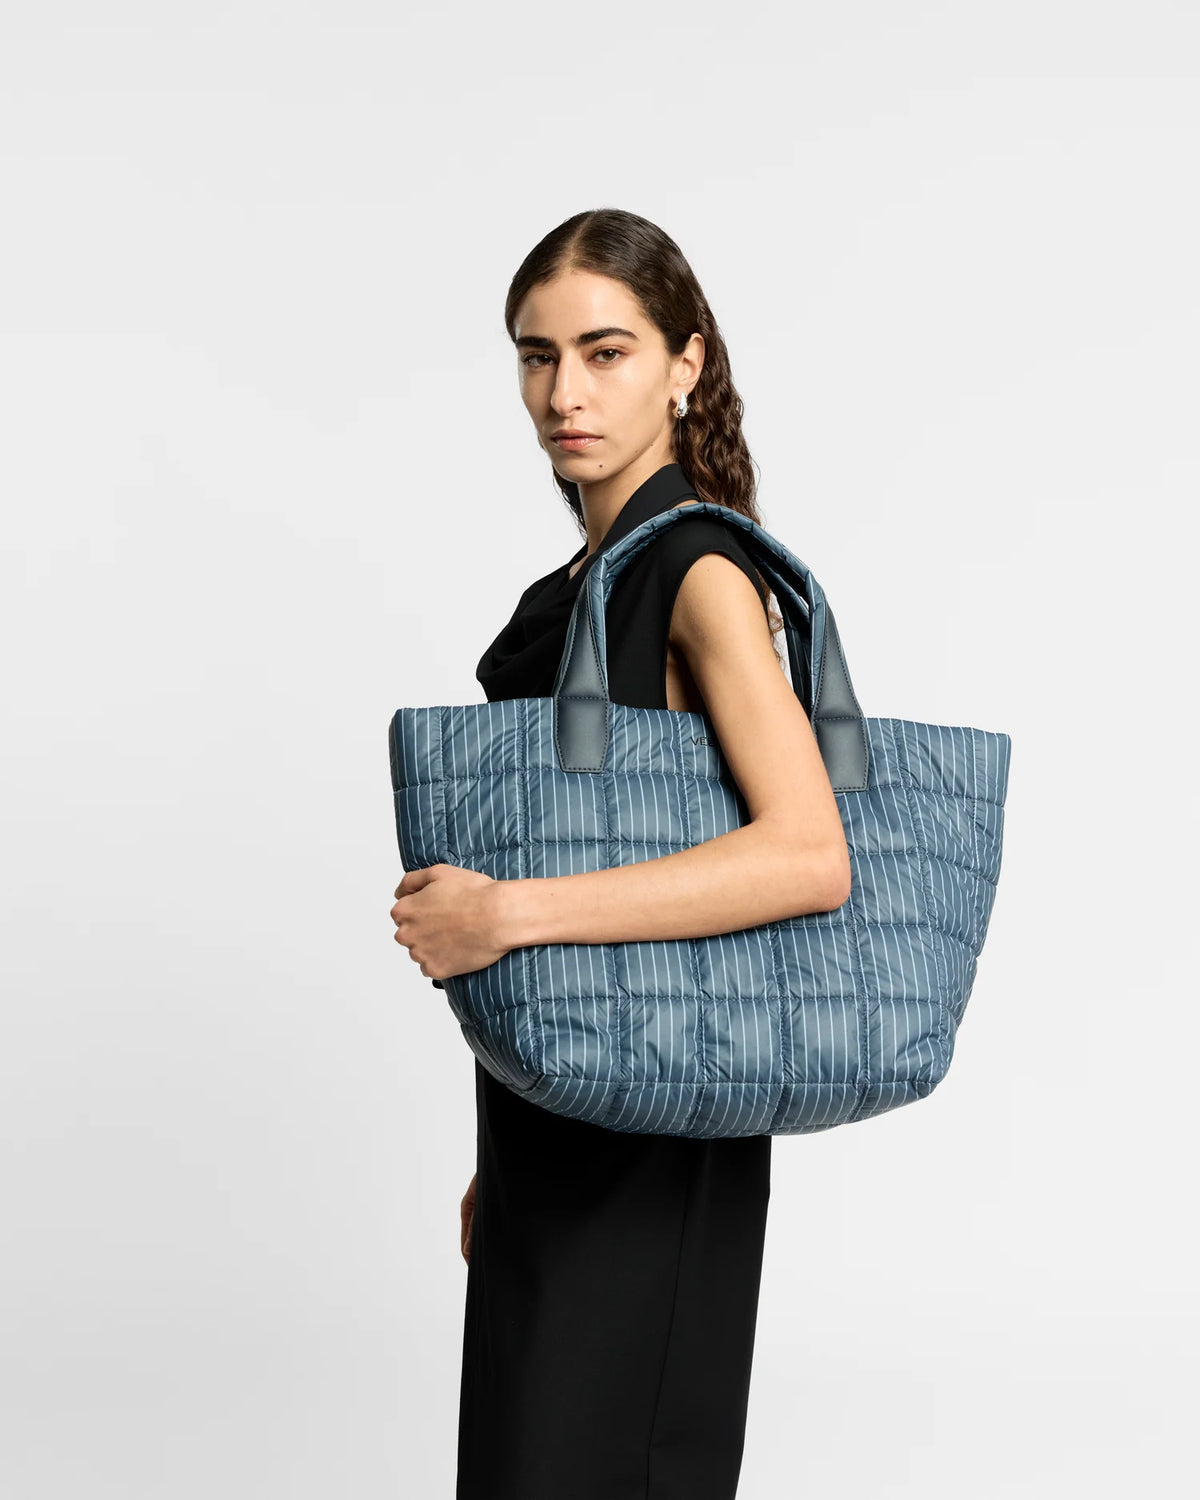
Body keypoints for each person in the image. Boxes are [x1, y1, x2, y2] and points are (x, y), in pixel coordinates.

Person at [390, 208, 852, 1500]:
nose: (564, 394)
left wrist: (507, 916)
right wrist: (512, 1144)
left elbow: (810, 853)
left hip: (654, 1156)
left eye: (606, 353)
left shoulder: (696, 568)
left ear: (686, 363)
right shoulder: (578, 589)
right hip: (567, 1130)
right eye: (538, 358)